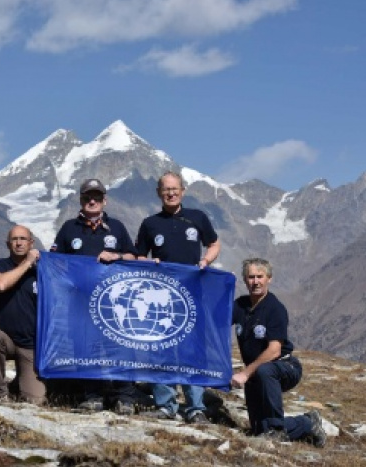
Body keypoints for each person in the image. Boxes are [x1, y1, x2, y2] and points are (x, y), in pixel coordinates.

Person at [136, 171, 221, 424]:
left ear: (183, 191)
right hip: (159, 297)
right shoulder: (150, 223)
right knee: (160, 348)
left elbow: (214, 244)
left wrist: (205, 260)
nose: (170, 193)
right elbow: (138, 256)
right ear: (159, 193)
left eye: (175, 189)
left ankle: (196, 408)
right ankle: (165, 405)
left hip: (191, 295)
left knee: (192, 350)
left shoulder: (197, 217)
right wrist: (151, 263)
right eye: (165, 190)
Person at [50, 178, 138, 414]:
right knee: (85, 346)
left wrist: (117, 256)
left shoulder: (117, 227)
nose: (92, 201)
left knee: (120, 346)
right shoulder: (69, 228)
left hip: (114, 302)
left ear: (104, 200)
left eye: (97, 197)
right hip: (80, 302)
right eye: (88, 197)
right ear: (80, 200)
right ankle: (92, 396)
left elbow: (134, 258)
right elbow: (55, 262)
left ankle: (125, 397)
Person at [231, 258, 326, 447]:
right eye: (251, 277)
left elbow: (274, 350)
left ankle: (276, 429)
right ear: (244, 280)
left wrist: (245, 373)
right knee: (259, 429)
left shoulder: (275, 309)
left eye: (260, 276)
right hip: (256, 372)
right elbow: (216, 320)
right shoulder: (240, 305)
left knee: (266, 371)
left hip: (284, 367)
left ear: (269, 279)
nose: (255, 281)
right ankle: (308, 423)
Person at [0, 225, 45, 405]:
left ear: (31, 243)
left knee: (35, 400)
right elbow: (0, 285)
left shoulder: (41, 272)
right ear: (8, 244)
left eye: (23, 239)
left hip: (30, 344)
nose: (19, 243)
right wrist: (27, 263)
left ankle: (20, 381)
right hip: (5, 339)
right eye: (14, 239)